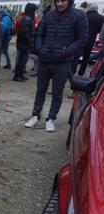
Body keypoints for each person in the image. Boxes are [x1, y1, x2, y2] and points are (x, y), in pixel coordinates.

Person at [24, 0, 88, 132]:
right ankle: (35, 116)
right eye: (57, 1)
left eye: (63, 1)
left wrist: (66, 51)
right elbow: (40, 33)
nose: (59, 4)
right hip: (45, 59)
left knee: (57, 93)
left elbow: (82, 38)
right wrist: (40, 48)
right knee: (40, 90)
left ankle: (51, 118)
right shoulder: (49, 15)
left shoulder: (79, 16)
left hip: (63, 62)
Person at [78, 4, 104, 76]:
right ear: (96, 9)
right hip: (90, 41)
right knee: (85, 59)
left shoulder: (84, 15)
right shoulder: (101, 18)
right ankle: (81, 73)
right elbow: (100, 30)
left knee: (76, 56)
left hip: (80, 39)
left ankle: (72, 71)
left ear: (90, 8)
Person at [13, 3, 37, 82]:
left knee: (22, 60)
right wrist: (30, 41)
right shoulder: (27, 19)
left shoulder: (26, 17)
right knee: (21, 60)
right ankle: (17, 75)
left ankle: (20, 74)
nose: (35, 12)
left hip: (23, 43)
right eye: (34, 10)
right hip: (24, 43)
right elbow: (25, 32)